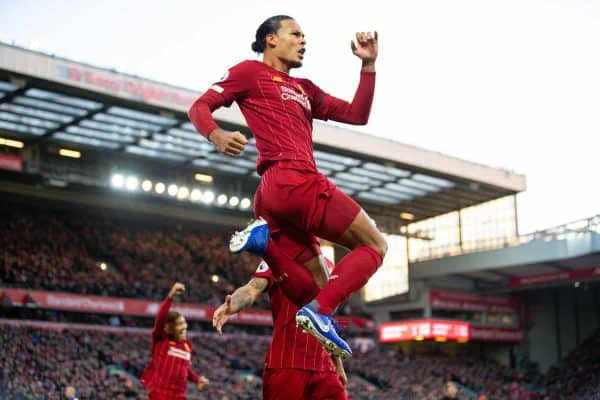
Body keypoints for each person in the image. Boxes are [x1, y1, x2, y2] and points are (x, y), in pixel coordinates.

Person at [188, 15, 387, 359]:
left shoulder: (305, 89)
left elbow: (357, 114)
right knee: (375, 245)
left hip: (271, 198)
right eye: (295, 34)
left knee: (321, 288)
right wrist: (217, 135)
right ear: (270, 39)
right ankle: (316, 311)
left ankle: (270, 250)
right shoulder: (249, 72)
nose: (303, 41)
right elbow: (199, 106)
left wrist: (368, 66)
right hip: (294, 179)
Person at [212, 259, 348, 400]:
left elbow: (326, 318)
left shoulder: (327, 264)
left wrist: (337, 362)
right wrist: (233, 304)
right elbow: (251, 289)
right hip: (287, 364)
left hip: (325, 368)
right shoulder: (276, 257)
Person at [140, 283, 209, 400]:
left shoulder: (187, 345)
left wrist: (197, 379)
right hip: (159, 394)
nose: (185, 326)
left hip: (179, 396)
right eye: (180, 324)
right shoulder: (161, 339)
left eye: (185, 323)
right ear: (169, 328)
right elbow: (161, 318)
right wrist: (170, 296)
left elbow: (185, 369)